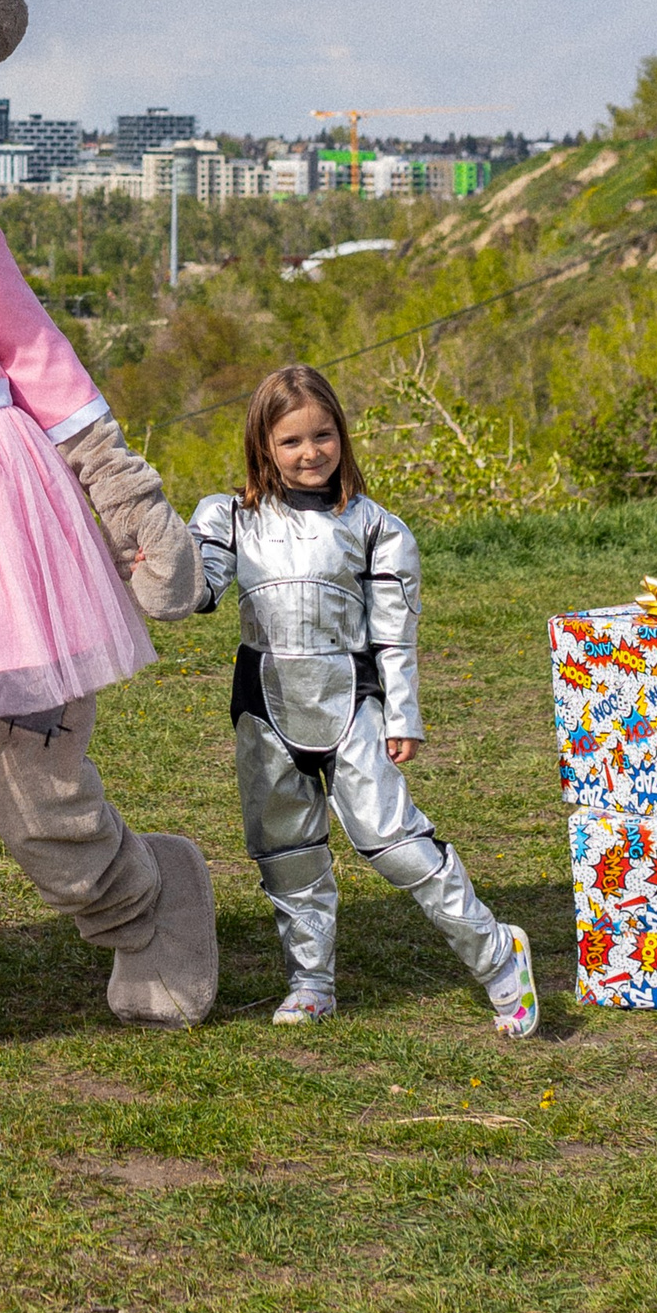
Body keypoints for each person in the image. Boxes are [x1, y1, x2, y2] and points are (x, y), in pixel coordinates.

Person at [190, 364, 538, 1035]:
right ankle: (311, 980)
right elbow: (198, 593)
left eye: (324, 436)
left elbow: (395, 634)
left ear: (343, 438)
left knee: (393, 841)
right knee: (286, 850)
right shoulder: (229, 516)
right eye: (291, 441)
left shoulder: (377, 527)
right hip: (264, 707)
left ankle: (498, 956)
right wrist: (152, 560)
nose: (310, 452)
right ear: (263, 445)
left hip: (353, 706)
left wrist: (404, 713)